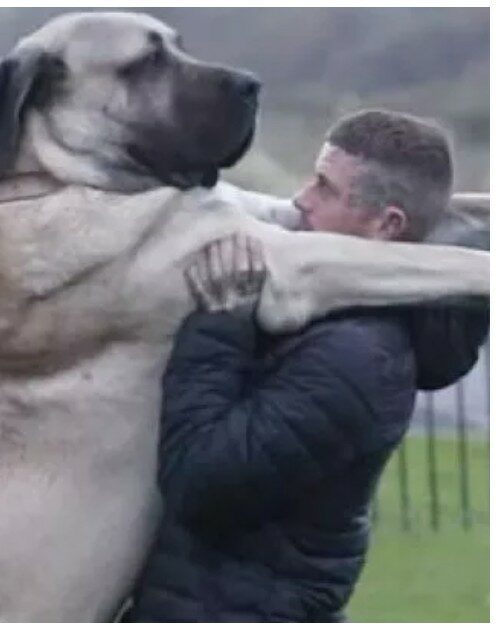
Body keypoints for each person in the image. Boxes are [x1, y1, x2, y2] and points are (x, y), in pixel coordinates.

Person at [127, 110, 488, 621]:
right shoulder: (328, 314)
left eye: (325, 187)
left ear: (386, 225)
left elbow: (200, 483)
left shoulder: (358, 357)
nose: (301, 198)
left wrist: (221, 318)